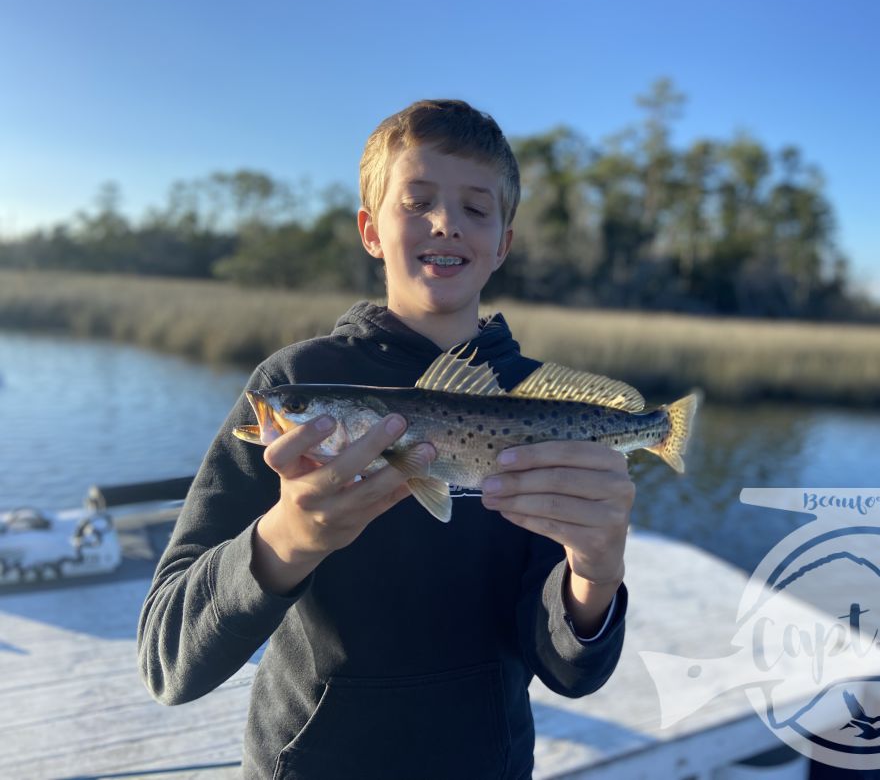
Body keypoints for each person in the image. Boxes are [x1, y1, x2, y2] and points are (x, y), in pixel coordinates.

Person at [137, 100, 633, 780]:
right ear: (371, 231)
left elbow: (568, 672)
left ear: (503, 244)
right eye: (417, 200)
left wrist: (596, 577)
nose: (445, 222)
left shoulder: (538, 406)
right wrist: (286, 537)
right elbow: (168, 660)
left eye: (476, 209)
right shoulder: (292, 383)